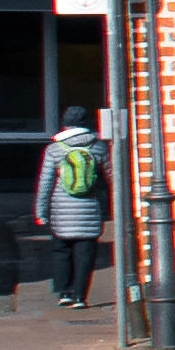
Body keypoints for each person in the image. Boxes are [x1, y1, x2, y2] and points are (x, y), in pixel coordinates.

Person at [42, 111, 109, 309]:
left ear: (64, 125)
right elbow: (112, 177)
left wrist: (40, 212)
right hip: (89, 210)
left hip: (61, 212)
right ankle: (80, 297)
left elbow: (45, 184)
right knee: (85, 254)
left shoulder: (54, 149)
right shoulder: (98, 147)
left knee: (61, 251)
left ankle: (64, 293)